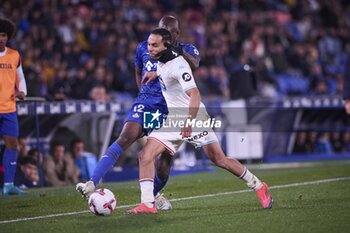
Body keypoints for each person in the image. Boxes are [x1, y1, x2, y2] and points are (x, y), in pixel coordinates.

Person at [127, 28, 272, 214]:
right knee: (145, 155)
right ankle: (147, 204)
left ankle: (259, 186)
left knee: (219, 159)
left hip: (194, 117)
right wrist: (155, 74)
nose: (150, 49)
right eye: (148, 44)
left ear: (166, 45)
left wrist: (188, 122)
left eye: (154, 45)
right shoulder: (161, 62)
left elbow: (195, 94)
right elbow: (167, 72)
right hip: (174, 118)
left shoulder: (178, 65)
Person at [76, 16, 200, 211]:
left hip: (169, 111)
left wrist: (175, 50)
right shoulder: (145, 47)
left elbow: (194, 65)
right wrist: (142, 94)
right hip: (146, 104)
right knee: (126, 136)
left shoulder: (187, 51)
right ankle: (91, 182)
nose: (163, 34)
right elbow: (138, 70)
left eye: (168, 32)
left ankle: (153, 196)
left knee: (164, 162)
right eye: (160, 29)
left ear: (176, 34)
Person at [0, 18, 28, 195]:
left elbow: (21, 77)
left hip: (9, 108)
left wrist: (22, 92)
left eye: (3, 35)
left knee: (12, 145)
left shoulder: (14, 55)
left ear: (8, 36)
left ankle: (8, 185)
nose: (1, 38)